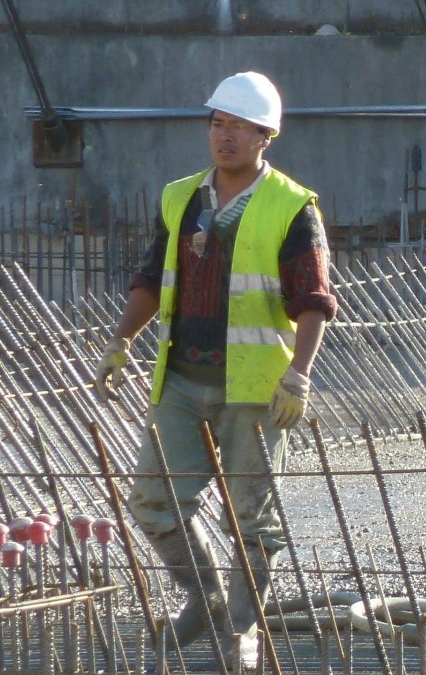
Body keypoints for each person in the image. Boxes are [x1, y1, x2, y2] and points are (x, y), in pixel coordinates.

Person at [92, 71, 336, 666]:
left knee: (253, 520)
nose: (223, 136)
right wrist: (121, 341)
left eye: (239, 127)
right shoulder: (180, 198)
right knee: (154, 500)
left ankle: (242, 629)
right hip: (181, 379)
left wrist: (298, 374)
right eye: (217, 124)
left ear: (265, 136)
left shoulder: (290, 206)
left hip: (253, 387)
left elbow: (314, 300)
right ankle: (204, 593)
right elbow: (152, 280)